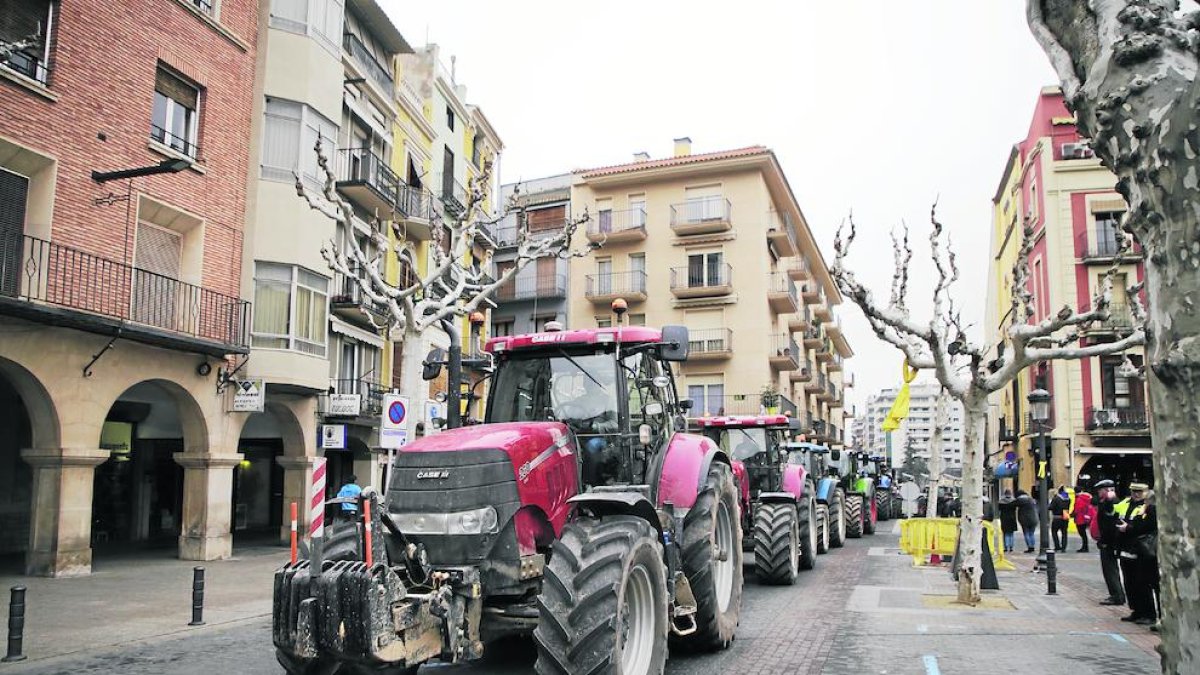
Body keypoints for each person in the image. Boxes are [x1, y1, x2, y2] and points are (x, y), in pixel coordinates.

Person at [1117, 482, 1157, 625]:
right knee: (1129, 583)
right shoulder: (1126, 504)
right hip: (1126, 548)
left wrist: (1128, 528)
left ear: (1146, 493)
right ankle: (1137, 611)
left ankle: (1148, 613)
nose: (1136, 494)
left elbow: (1146, 526)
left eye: (1139, 492)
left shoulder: (1149, 507)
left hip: (1141, 550)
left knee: (1142, 583)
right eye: (1134, 491)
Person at [1094, 479, 1128, 606]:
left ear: (1108, 491)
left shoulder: (1111, 503)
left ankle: (1117, 596)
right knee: (1109, 569)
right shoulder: (1107, 502)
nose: (1098, 492)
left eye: (1100, 490)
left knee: (1110, 570)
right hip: (1109, 541)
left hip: (1110, 542)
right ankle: (1116, 594)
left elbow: (1110, 524)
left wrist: (1104, 541)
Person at [1072, 486, 1095, 553]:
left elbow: (1077, 510)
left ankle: (1085, 547)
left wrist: (1071, 515)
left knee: (1082, 534)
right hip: (1085, 518)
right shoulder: (1086, 498)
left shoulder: (1079, 499)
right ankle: (1085, 547)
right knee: (1084, 534)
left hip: (1080, 519)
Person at [1049, 485, 1071, 551]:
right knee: (1064, 533)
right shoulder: (1068, 498)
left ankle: (1057, 546)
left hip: (1057, 517)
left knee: (1054, 532)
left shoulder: (1056, 498)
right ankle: (1064, 547)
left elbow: (1051, 507)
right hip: (1065, 516)